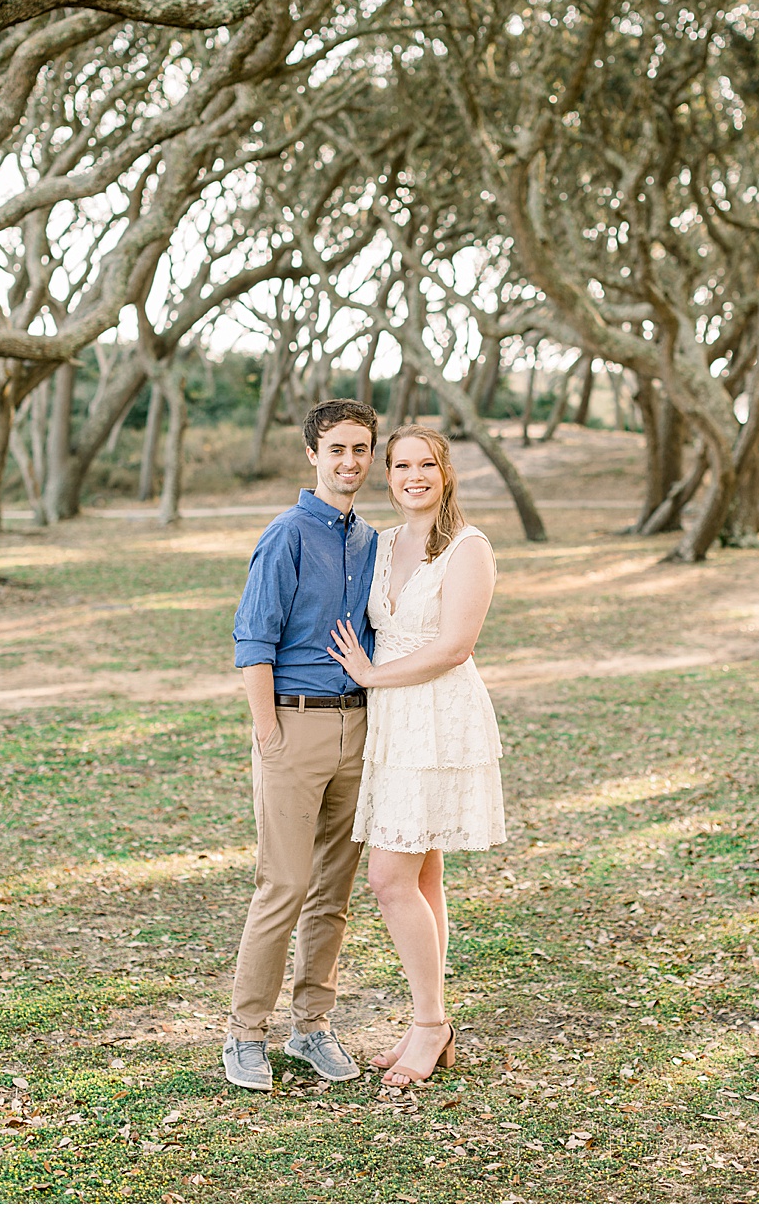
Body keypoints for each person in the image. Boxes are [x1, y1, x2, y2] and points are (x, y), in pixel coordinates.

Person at [327, 423, 505, 1087]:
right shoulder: (380, 544)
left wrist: (372, 675)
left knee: (388, 879)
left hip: (438, 716)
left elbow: (456, 645)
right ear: (388, 474)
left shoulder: (467, 547)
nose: (413, 476)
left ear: (445, 472)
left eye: (425, 464)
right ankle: (428, 1019)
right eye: (401, 465)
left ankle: (431, 1025)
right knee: (421, 875)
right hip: (393, 721)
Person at [224, 399, 379, 1092]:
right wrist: (269, 736)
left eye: (361, 449)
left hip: (361, 727)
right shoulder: (286, 534)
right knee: (282, 885)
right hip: (292, 724)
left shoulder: (372, 539)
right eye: (337, 449)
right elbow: (253, 641)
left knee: (333, 892)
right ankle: (244, 1035)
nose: (350, 462)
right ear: (312, 454)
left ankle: (312, 1027)